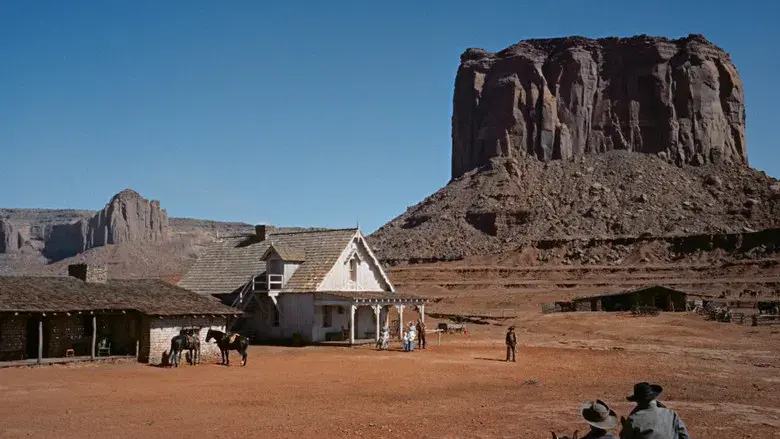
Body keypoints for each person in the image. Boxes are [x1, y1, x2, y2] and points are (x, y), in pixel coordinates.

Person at [619, 382, 691, 439]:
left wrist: (626, 427)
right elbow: (685, 436)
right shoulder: (672, 414)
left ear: (637, 401)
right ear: (654, 397)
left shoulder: (634, 419)